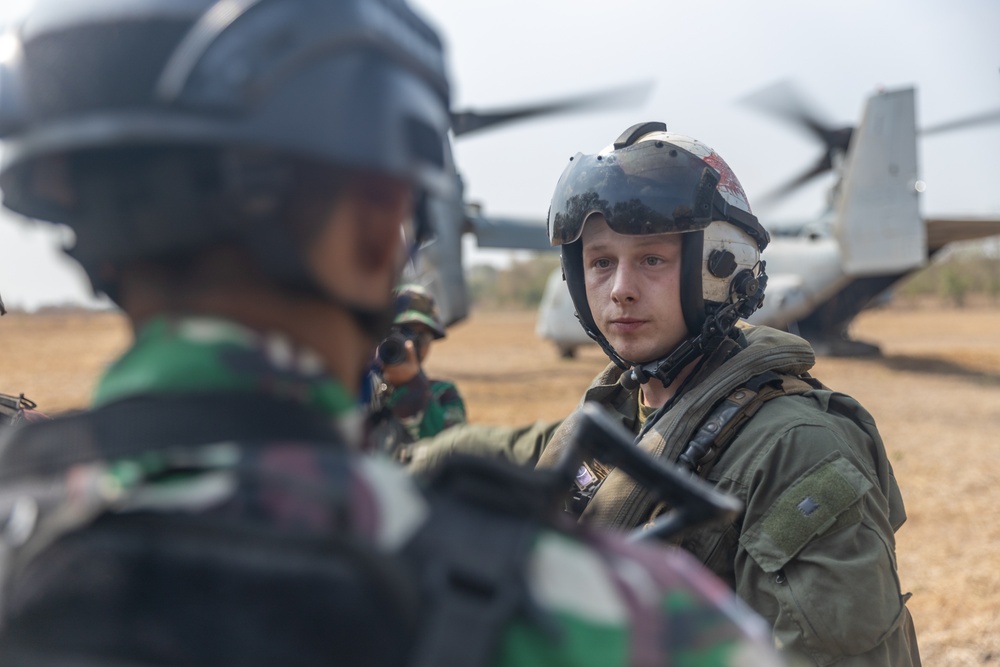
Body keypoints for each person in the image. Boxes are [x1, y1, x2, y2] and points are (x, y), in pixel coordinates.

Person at [0, 2, 786, 665]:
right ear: (380, 230)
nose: (620, 289)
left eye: (650, 259)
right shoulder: (637, 623)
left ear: (86, 234)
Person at [531, 122, 920, 665]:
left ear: (720, 268)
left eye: (651, 259)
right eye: (600, 262)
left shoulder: (797, 449)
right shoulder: (616, 413)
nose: (619, 288)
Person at [369, 284, 466, 458]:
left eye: (423, 337)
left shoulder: (443, 394)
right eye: (400, 332)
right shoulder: (355, 385)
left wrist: (413, 387)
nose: (410, 344)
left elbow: (452, 446)